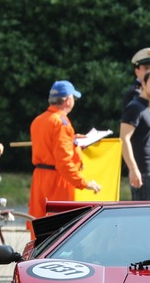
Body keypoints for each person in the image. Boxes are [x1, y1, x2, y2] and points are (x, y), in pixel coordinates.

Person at [29, 80, 101, 223]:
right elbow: (64, 163)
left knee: (39, 227)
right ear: (68, 100)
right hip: (57, 182)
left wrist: (73, 142)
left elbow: (48, 147)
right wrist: (84, 183)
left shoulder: (39, 119)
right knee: (60, 231)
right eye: (73, 98)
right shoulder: (62, 123)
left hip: (39, 179)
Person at [120, 66, 150, 201]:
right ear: (144, 84)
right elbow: (124, 138)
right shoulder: (134, 107)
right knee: (145, 220)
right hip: (143, 172)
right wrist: (133, 169)